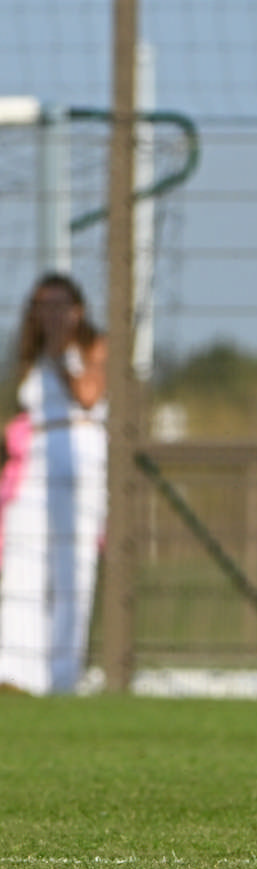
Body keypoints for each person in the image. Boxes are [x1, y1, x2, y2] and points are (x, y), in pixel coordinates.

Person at [0, 274, 110, 695]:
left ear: (77, 309)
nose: (52, 313)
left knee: (73, 570)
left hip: (80, 456)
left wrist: (63, 351)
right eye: (43, 305)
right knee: (22, 566)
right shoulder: (30, 356)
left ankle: (62, 675)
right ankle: (15, 671)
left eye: (61, 305)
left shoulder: (94, 347)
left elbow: (88, 395)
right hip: (36, 462)